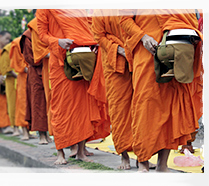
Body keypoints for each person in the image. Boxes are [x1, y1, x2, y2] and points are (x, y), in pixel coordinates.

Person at [120, 9, 203, 172]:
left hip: (176, 50)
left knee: (170, 108)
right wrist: (143, 37)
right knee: (145, 106)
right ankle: (143, 162)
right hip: (146, 52)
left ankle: (162, 164)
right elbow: (124, 20)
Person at [36, 9, 111, 164]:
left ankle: (81, 151)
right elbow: (42, 35)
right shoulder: (45, 9)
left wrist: (94, 43)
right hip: (59, 61)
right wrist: (58, 41)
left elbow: (91, 27)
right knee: (61, 108)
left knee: (83, 107)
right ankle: (60, 154)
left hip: (83, 60)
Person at [91, 9, 133, 170]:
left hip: (137, 58)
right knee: (119, 110)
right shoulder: (100, 10)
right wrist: (119, 49)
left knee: (140, 108)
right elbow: (98, 36)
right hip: (113, 63)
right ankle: (124, 155)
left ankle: (143, 156)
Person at [20, 18, 51, 143]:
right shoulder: (28, 36)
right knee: (38, 103)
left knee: (50, 102)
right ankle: (42, 135)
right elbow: (30, 58)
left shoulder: (48, 32)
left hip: (50, 70)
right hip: (36, 73)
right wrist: (46, 55)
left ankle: (48, 133)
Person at [9, 37, 30, 140]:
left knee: (36, 104)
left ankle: (33, 131)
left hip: (36, 75)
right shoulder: (17, 42)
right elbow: (18, 63)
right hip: (23, 77)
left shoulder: (36, 38)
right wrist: (30, 68)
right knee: (23, 104)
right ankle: (24, 131)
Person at [0, 42, 20, 136]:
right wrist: (17, 76)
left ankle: (26, 128)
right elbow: (6, 68)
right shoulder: (7, 49)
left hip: (22, 79)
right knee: (13, 104)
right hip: (11, 81)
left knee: (23, 104)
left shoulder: (21, 46)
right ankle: (15, 127)